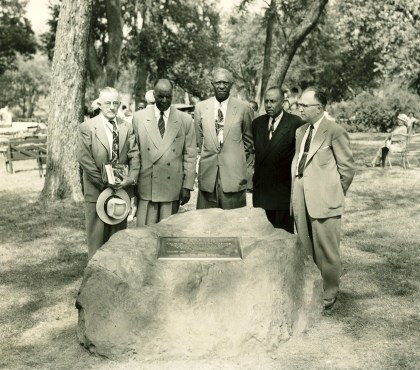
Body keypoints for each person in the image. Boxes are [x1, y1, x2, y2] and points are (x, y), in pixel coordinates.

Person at [291, 87, 355, 310]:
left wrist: (332, 192)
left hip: (325, 199)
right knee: (305, 246)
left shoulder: (335, 131)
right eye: (299, 104)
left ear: (319, 108)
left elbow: (347, 169)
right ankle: (311, 289)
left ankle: (329, 292)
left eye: (304, 105)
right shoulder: (301, 132)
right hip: (301, 197)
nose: (299, 108)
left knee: (327, 249)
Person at [77, 87, 140, 259]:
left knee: (117, 241)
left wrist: (131, 178)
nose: (112, 107)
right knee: (96, 242)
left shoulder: (126, 127)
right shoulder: (87, 127)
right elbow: (85, 160)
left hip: (121, 191)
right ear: (99, 104)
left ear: (119, 104)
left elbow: (134, 155)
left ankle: (114, 279)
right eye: (107, 103)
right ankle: (94, 280)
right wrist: (106, 183)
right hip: (96, 191)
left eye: (115, 103)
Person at [132, 79, 197, 226]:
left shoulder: (185, 120)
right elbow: (134, 153)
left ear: (172, 95)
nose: (164, 100)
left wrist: (187, 185)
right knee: (144, 235)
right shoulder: (139, 118)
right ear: (153, 94)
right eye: (160, 96)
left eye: (168, 96)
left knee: (168, 234)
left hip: (172, 187)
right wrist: (133, 180)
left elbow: (190, 155)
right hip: (147, 185)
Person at [194, 67, 253, 209]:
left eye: (225, 83)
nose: (221, 86)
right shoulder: (201, 107)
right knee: (205, 225)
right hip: (208, 178)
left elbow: (249, 144)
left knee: (232, 225)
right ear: (212, 84)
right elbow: (199, 141)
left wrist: (236, 163)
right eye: (218, 82)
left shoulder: (244, 108)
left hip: (233, 179)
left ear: (231, 85)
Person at [252, 86, 303, 233]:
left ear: (283, 102)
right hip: (262, 193)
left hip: (283, 193)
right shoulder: (257, 124)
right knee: (262, 237)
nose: (268, 105)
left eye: (273, 101)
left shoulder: (295, 123)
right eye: (266, 101)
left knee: (283, 238)